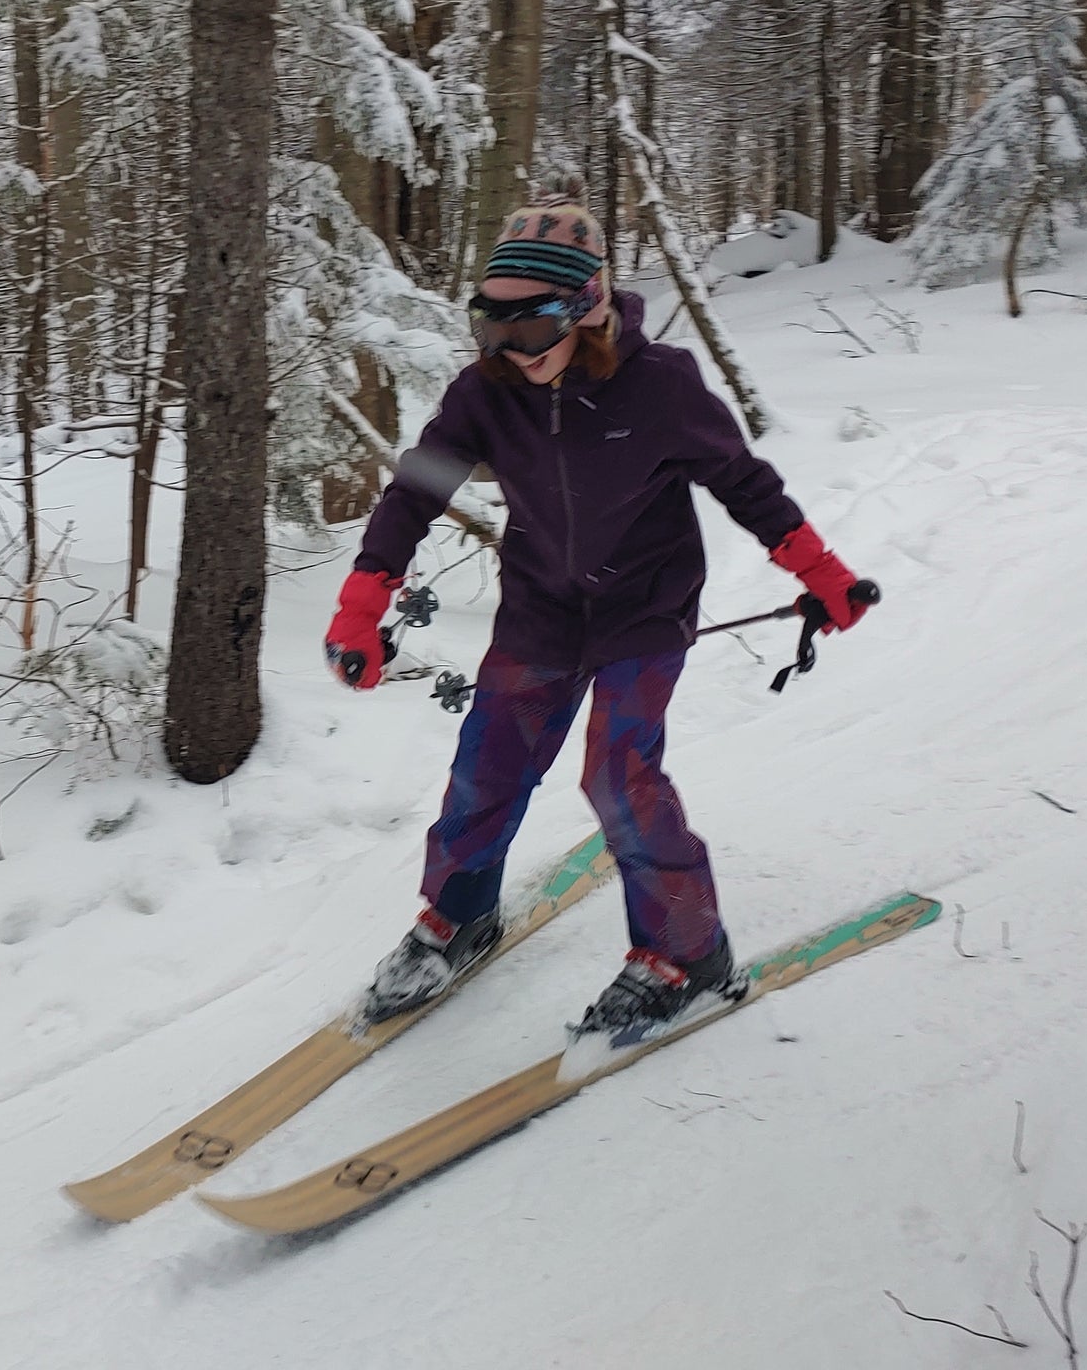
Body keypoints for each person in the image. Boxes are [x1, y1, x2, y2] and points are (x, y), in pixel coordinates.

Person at [324, 175, 868, 1035]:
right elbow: (417, 491)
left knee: (619, 778)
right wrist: (363, 601)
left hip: (644, 608)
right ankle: (457, 917)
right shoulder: (484, 392)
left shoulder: (661, 386)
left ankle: (687, 953)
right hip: (540, 608)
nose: (513, 348)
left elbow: (743, 482)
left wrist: (821, 573)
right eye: (493, 326)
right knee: (486, 767)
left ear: (587, 308)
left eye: (532, 326)